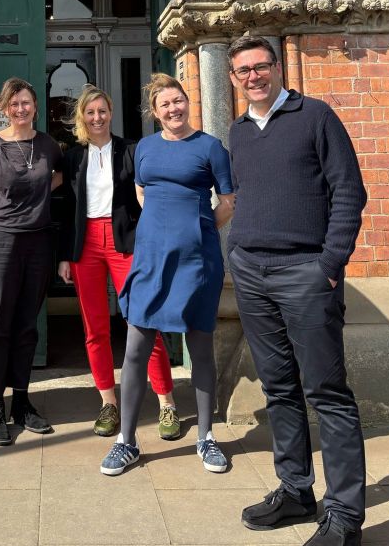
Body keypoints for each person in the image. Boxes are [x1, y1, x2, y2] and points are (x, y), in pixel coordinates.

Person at [227, 35, 367, 546]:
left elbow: (350, 191)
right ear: (233, 78)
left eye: (260, 67)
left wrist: (329, 264)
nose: (252, 77)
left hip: (307, 272)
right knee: (278, 387)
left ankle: (346, 516)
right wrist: (237, 254)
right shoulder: (239, 131)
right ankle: (295, 489)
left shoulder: (317, 116)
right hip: (252, 272)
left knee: (327, 393)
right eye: (242, 71)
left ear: (278, 67)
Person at [100, 73, 234, 477]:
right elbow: (142, 193)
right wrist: (160, 230)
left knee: (201, 347)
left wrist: (198, 229)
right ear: (155, 113)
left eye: (179, 101)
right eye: (165, 105)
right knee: (136, 348)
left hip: (197, 262)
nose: (174, 109)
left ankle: (206, 437)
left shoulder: (211, 148)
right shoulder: (145, 149)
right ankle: (126, 442)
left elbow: (228, 202)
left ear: (188, 102)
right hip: (150, 260)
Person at [59, 85, 180, 440]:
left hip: (125, 241)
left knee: (143, 321)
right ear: (82, 116)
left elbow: (147, 197)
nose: (97, 117)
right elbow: (68, 208)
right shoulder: (73, 157)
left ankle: (167, 403)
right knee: (94, 328)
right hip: (86, 245)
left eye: (102, 111)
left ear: (111, 113)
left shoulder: (131, 150)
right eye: (90, 112)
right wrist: (66, 255)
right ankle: (108, 402)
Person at [0, 77, 63, 446]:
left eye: (26, 103)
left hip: (37, 244)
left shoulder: (48, 145)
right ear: (5, 109)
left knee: (26, 325)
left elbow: (61, 176)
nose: (21, 109)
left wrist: (39, 193)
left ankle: (21, 401)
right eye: (14, 104)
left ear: (35, 106)